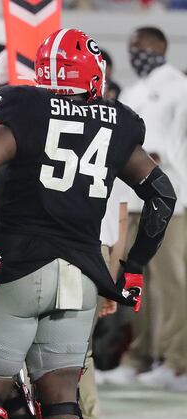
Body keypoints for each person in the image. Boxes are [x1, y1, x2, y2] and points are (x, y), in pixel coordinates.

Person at [0, 28, 176, 419]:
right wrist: (133, 269)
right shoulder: (119, 119)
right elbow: (162, 195)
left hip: (20, 266)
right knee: (62, 399)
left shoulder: (23, 104)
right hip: (80, 274)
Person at [104, 26, 187, 392]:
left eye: (141, 45)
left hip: (173, 200)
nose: (135, 51)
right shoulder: (134, 91)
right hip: (134, 199)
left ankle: (176, 360)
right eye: (132, 45)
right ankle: (139, 356)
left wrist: (164, 156)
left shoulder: (179, 86)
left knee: (170, 284)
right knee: (137, 281)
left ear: (161, 46)